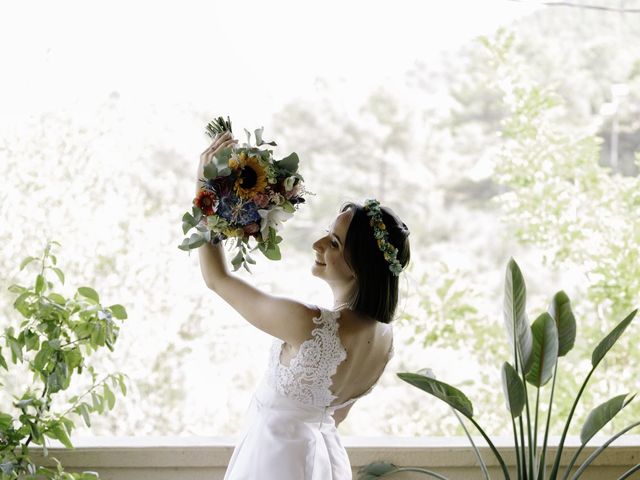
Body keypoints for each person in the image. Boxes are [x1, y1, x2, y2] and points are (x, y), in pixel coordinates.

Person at [196, 132, 411, 479]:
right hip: (321, 462)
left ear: (362, 267)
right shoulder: (384, 340)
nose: (318, 243)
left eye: (335, 243)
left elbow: (217, 279)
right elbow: (333, 415)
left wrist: (205, 190)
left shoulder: (307, 323)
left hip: (273, 460)